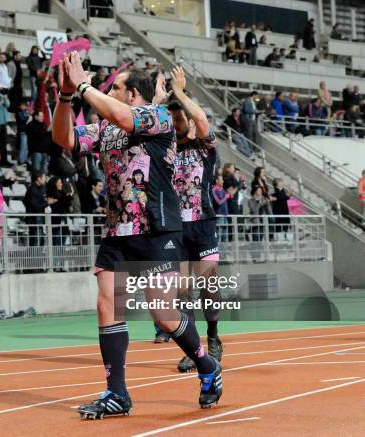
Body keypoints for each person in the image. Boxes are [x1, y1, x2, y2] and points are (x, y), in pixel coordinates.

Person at [52, 52, 222, 417]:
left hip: (156, 229)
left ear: (133, 95)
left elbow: (123, 117)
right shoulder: (107, 130)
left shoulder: (157, 118)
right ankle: (117, 394)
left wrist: (83, 86)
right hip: (117, 230)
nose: (107, 91)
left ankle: (207, 365)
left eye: (115, 87)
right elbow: (64, 138)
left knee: (162, 315)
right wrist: (66, 96)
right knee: (106, 305)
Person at [157, 66, 224, 372]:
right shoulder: (164, 150)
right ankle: (194, 349)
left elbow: (201, 120)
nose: (176, 122)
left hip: (204, 223)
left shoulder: (204, 146)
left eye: (179, 117)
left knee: (209, 284)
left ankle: (213, 337)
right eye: (172, 119)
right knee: (182, 290)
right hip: (176, 227)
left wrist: (180, 93)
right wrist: (160, 99)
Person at [24, 171, 53, 246]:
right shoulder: (32, 190)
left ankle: (38, 256)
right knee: (36, 239)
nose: (45, 180)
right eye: (43, 178)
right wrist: (47, 203)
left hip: (40, 217)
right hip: (34, 218)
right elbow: (35, 206)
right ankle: (34, 257)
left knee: (40, 239)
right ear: (38, 179)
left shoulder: (42, 188)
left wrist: (46, 201)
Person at [247, 186, 271, 261]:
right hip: (255, 223)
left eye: (261, 190)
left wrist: (267, 203)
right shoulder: (250, 201)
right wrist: (260, 203)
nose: (260, 191)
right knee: (256, 240)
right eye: (259, 190)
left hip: (262, 222)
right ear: (255, 192)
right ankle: (255, 257)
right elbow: (254, 210)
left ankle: (259, 256)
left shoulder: (263, 199)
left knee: (260, 241)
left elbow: (268, 211)